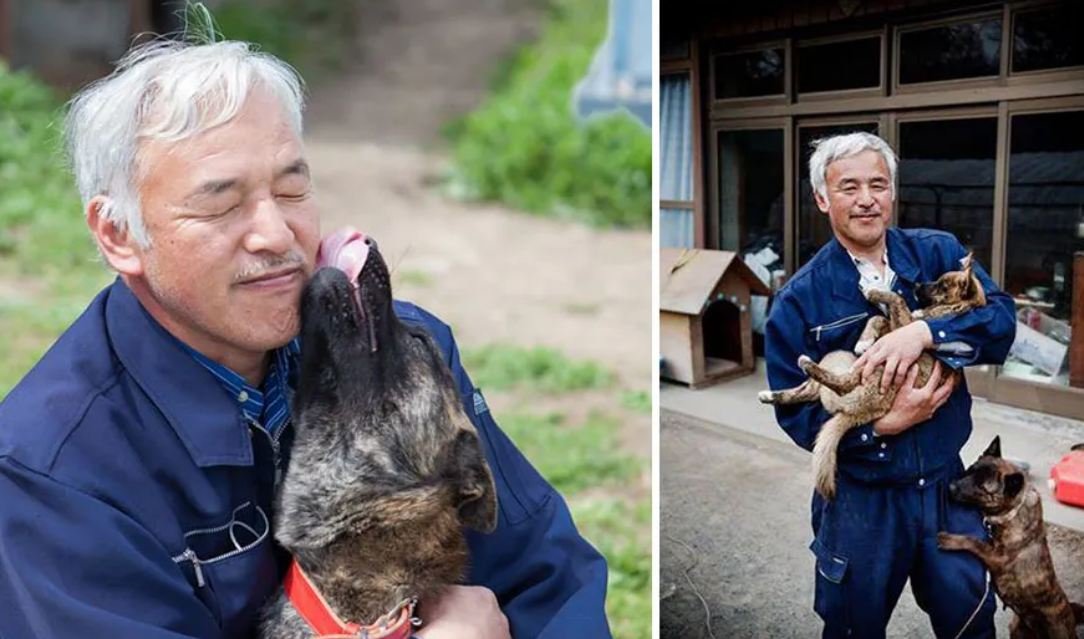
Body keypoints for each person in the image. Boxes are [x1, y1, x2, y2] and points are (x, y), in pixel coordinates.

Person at [0, 36, 610, 639]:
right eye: (221, 205)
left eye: (291, 189)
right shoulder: (52, 474)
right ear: (118, 235)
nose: (275, 233)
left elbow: (546, 579)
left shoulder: (396, 356)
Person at [764, 132, 1016, 638]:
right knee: (853, 625)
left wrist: (926, 331)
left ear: (892, 193)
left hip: (946, 484)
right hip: (864, 499)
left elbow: (1002, 324)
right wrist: (887, 424)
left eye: (877, 184)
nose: (865, 199)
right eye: (848, 187)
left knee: (971, 619)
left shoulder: (937, 254)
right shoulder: (798, 300)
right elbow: (798, 417)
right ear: (822, 199)